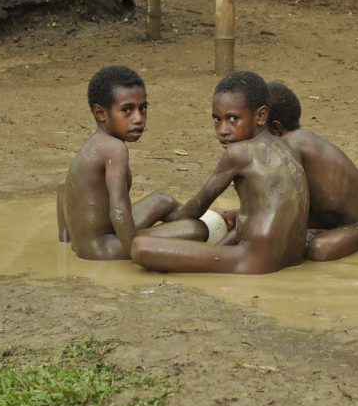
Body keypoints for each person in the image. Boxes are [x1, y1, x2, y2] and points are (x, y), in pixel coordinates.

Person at [130, 71, 310, 274]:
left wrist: (165, 213)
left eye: (233, 119)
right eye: (217, 119)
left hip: (253, 262)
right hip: (291, 261)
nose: (222, 129)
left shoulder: (239, 153)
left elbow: (193, 211)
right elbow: (256, 218)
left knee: (140, 246)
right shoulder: (287, 148)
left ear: (261, 116)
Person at [58, 65, 207, 260]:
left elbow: (62, 189)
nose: (138, 119)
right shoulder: (115, 149)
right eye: (127, 110)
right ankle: (203, 224)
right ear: (101, 113)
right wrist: (135, 252)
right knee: (196, 229)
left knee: (162, 200)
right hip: (103, 248)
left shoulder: (95, 144)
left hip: (91, 242)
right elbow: (119, 211)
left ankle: (209, 217)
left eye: (142, 108)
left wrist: (66, 240)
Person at [266, 82, 358, 261]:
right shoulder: (294, 140)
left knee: (318, 250)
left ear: (275, 128)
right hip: (327, 222)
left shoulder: (292, 144)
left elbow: (286, 205)